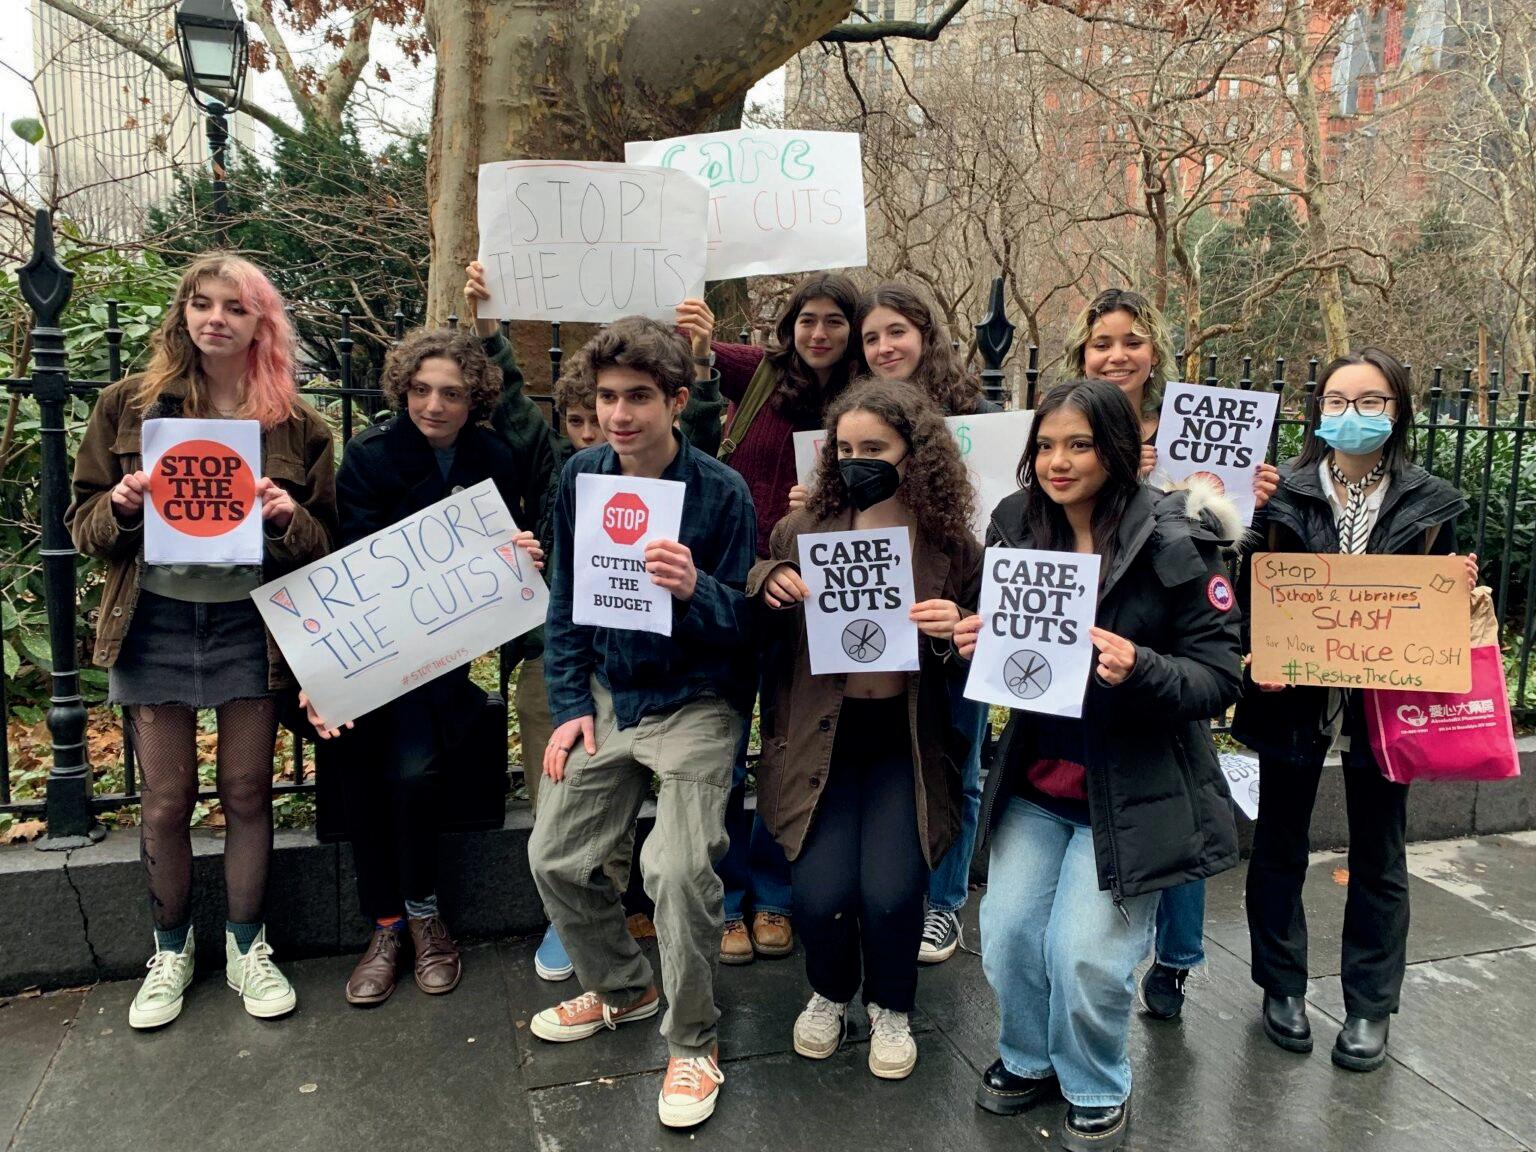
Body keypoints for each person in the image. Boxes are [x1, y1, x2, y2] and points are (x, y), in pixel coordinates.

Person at [955, 378, 1244, 1151]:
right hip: (1038, 783)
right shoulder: (1015, 521)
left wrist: (1142, 668)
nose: (1058, 461)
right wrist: (971, 642)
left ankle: (1094, 1081)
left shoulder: (1177, 538)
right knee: (1010, 934)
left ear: (1115, 450)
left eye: (1079, 445)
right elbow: (1002, 643)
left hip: (1133, 792)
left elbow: (1219, 676)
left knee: (1085, 955)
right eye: (1047, 445)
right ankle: (1027, 1058)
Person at [67, 253, 338, 1029]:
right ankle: (171, 950)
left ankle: (248, 946)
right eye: (201, 303)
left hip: (248, 626)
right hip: (153, 620)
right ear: (183, 312)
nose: (214, 318)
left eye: (234, 307)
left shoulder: (298, 425)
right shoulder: (128, 407)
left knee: (248, 792)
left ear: (261, 324)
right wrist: (122, 506)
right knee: (164, 801)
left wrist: (286, 518)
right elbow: (82, 527)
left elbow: (326, 544)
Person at [527, 317, 756, 1129]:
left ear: (677, 402)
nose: (619, 414)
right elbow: (565, 602)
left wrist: (696, 591)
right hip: (609, 694)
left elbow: (746, 629)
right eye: (607, 397)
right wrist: (567, 708)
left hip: (696, 700)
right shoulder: (582, 476)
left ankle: (693, 1041)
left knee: (679, 869)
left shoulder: (721, 492)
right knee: (555, 855)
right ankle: (624, 988)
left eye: (638, 397)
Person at [1232, 347, 1475, 1072]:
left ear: (1398, 410)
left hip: (1385, 707)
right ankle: (1281, 986)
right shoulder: (1281, 493)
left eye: (1371, 402)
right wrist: (1256, 652)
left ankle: (1371, 1003)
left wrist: (1459, 586)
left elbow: (1441, 609)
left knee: (1381, 851)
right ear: (1318, 409)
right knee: (1279, 844)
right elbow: (1242, 588)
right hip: (1292, 701)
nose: (1352, 414)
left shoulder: (1431, 503)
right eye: (1338, 401)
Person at [748, 377, 980, 1079]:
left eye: (873, 449)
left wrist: (956, 633)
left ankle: (891, 1005)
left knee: (890, 894)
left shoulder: (951, 546)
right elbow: (756, 625)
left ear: (915, 452)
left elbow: (983, 656)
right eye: (844, 449)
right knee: (819, 895)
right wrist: (768, 583)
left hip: (904, 743)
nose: (856, 462)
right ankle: (828, 992)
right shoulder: (801, 532)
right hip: (823, 738)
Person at [305, 328, 545, 1006]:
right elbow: (351, 560)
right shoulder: (371, 455)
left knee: (413, 776)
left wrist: (519, 555)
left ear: (475, 400)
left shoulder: (494, 456)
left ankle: (423, 913)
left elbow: (503, 550)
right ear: (402, 390)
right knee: (357, 774)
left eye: (451, 394)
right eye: (420, 390)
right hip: (364, 652)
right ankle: (385, 926)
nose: (433, 405)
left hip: (436, 655)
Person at [1064, 286, 1279, 1018]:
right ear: (1082, 353)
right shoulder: (1067, 427)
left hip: (1174, 640)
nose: (1116, 354)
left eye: (1132, 340)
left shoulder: (1188, 427)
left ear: (1155, 351)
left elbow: (1224, 539)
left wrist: (1251, 498)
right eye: (1102, 342)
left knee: (1180, 793)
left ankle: (1178, 956)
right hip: (1098, 633)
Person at [674, 275, 864, 965]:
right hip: (733, 587)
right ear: (789, 326)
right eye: (807, 319)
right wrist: (697, 338)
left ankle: (775, 894)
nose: (819, 333)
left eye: (835, 321)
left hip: (810, 596)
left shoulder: (865, 397)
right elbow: (675, 357)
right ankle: (725, 902)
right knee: (721, 751)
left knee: (790, 753)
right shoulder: (756, 372)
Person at [849, 282, 994, 964]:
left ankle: (943, 901)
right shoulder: (853, 416)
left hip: (958, 602)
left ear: (926, 335)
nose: (885, 347)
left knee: (959, 758)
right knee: (888, 759)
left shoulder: (977, 415)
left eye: (897, 331)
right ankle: (883, 890)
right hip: (880, 615)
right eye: (871, 337)